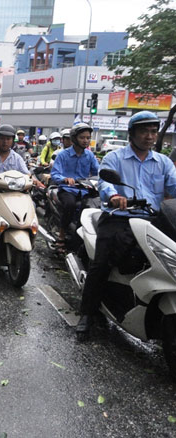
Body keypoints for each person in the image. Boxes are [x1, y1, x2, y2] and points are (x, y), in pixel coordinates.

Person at [75, 111, 176, 340]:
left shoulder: (163, 162)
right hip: (119, 217)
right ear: (131, 134)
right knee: (101, 264)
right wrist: (113, 196)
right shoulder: (115, 158)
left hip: (153, 218)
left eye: (153, 132)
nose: (149, 136)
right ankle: (87, 314)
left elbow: (175, 186)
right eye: (144, 131)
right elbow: (104, 183)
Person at [0, 124, 43, 246]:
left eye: (8, 139)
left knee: (31, 204)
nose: (5, 142)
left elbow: (26, 174)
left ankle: (28, 233)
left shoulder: (17, 157)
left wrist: (35, 181)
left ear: (12, 141)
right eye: (2, 138)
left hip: (13, 192)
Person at [50, 123, 100, 250]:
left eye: (88, 138)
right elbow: (55, 174)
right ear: (74, 138)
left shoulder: (90, 155)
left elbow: (97, 173)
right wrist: (65, 179)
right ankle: (61, 233)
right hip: (67, 190)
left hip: (84, 190)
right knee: (70, 205)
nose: (86, 140)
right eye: (82, 137)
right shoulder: (63, 155)